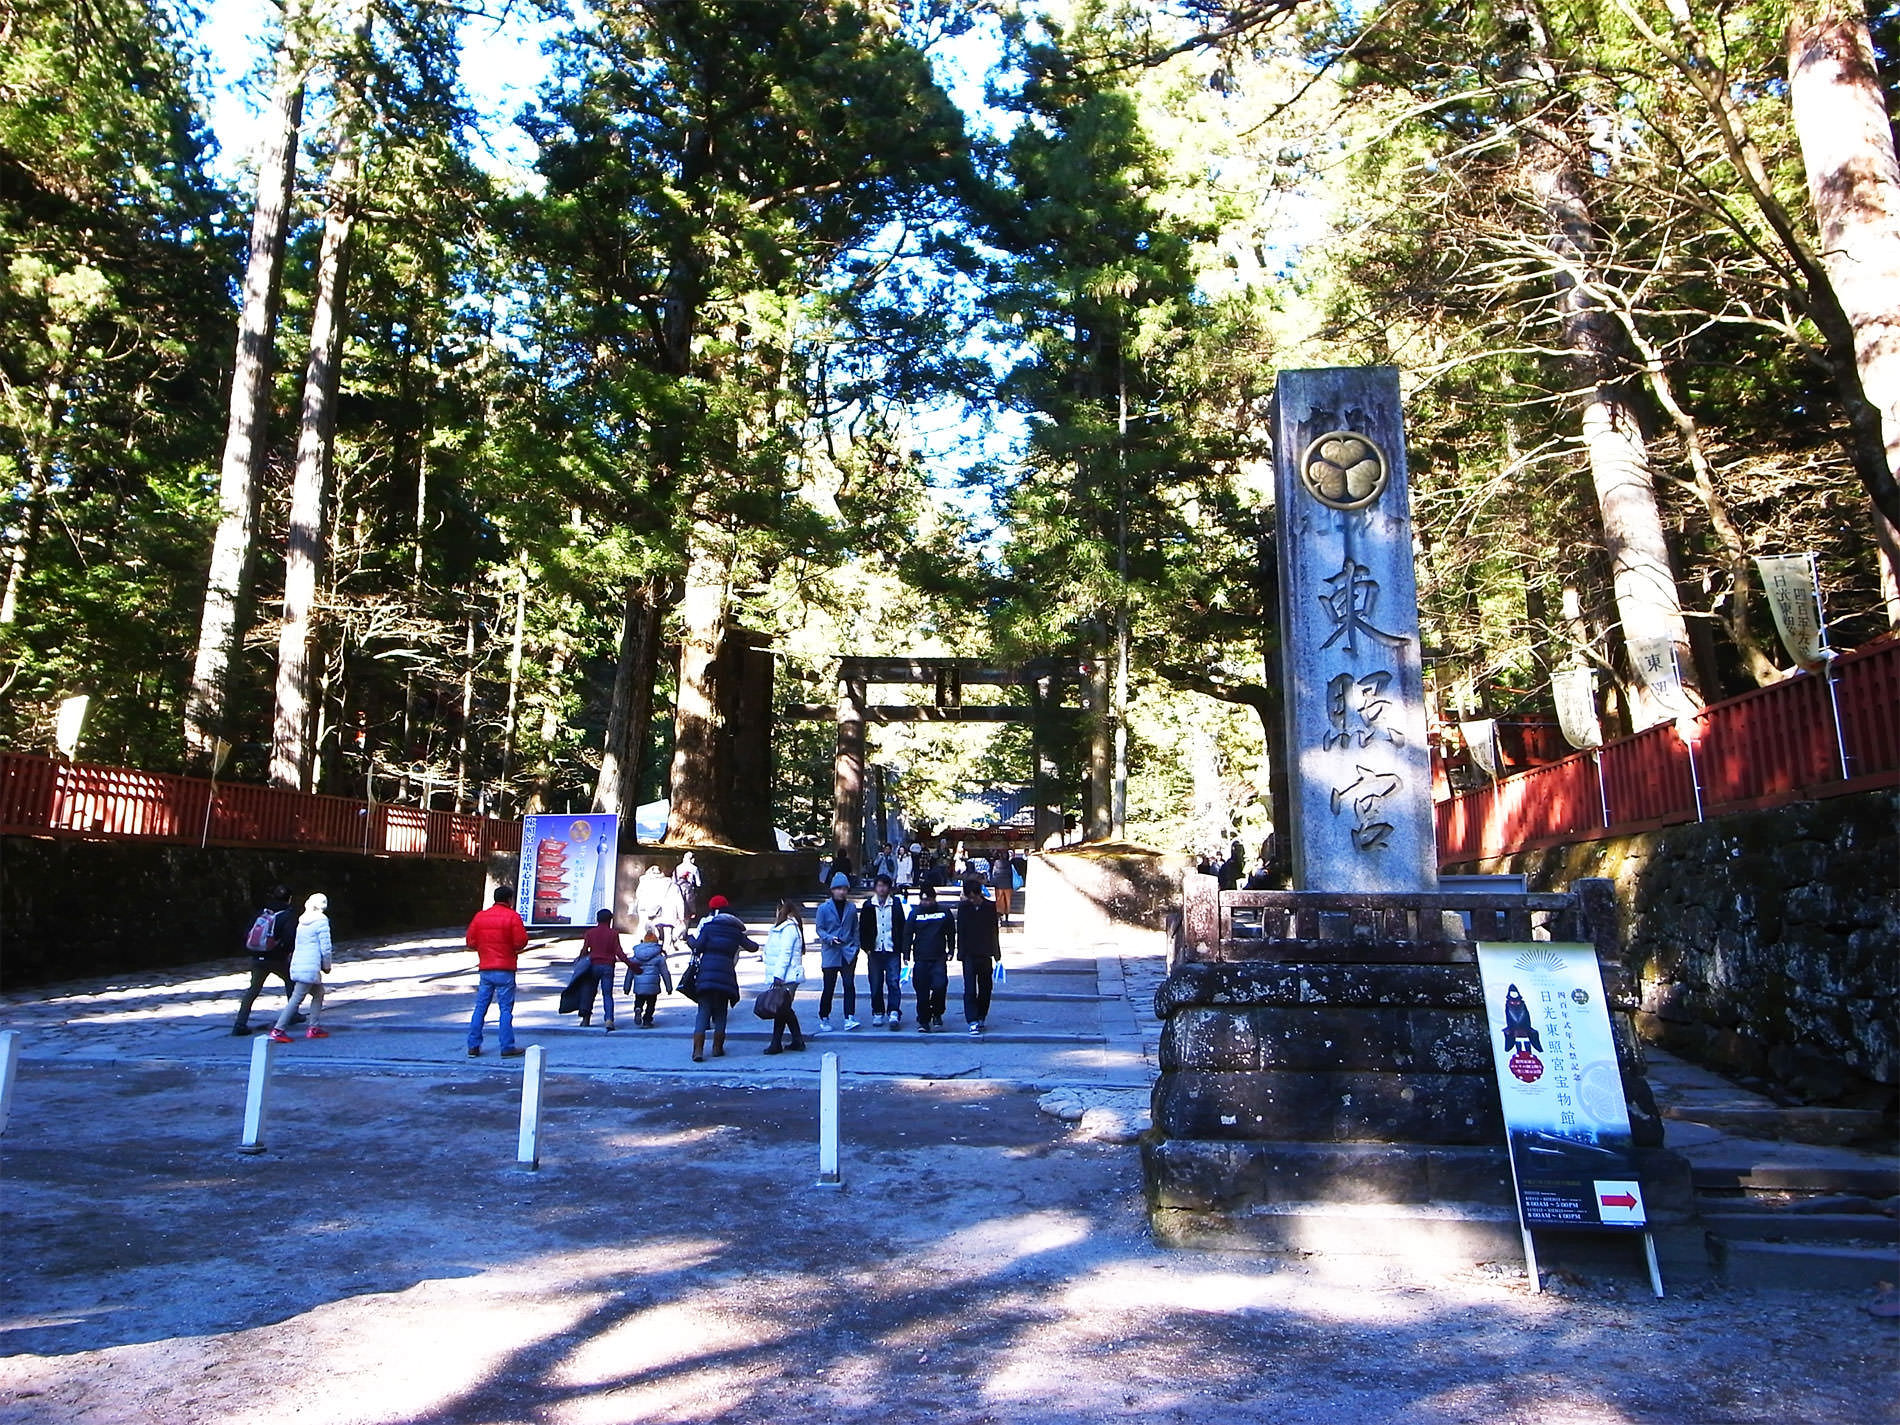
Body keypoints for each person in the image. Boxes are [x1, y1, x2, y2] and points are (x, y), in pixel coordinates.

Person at [683, 894, 755, 1062]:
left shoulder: (708, 928)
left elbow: (697, 947)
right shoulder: (736, 931)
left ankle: (698, 1050)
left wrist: (690, 939)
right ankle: (717, 1048)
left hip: (706, 975)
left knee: (703, 1010)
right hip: (726, 976)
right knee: (721, 1011)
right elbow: (753, 947)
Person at [465, 884, 530, 1058]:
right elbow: (521, 941)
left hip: (486, 968)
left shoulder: (480, 917)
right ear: (509, 899)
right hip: (505, 968)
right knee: (505, 1009)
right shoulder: (513, 917)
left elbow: (470, 942)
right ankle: (507, 1046)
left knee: (480, 1007)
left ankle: (473, 1046)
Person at [267, 893, 333, 1043]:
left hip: (300, 963)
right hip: (309, 966)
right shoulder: (321, 921)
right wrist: (327, 965)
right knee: (297, 998)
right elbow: (326, 947)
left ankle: (314, 1027)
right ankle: (279, 1029)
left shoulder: (302, 920)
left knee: (318, 992)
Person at [234, 884, 297, 1035]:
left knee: (253, 990)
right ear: (289, 898)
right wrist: (286, 952)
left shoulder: (262, 913)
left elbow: (247, 933)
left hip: (257, 958)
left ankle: (240, 1023)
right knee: (291, 981)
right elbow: (289, 937)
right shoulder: (287, 914)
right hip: (277, 958)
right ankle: (293, 1014)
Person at [857, 871, 910, 1030]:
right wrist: (866, 947)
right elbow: (863, 928)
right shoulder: (868, 905)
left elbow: (902, 926)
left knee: (893, 981)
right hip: (875, 950)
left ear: (889, 888)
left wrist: (903, 949)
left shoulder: (896, 904)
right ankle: (878, 1011)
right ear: (875, 888)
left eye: (885, 886)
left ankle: (894, 1011)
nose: (882, 889)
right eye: (879, 886)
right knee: (875, 982)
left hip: (892, 948)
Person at [759, 898, 808, 1055]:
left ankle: (779, 1043)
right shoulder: (786, 928)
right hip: (787, 975)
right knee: (784, 1010)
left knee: (782, 1010)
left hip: (788, 976)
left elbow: (785, 954)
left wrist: (777, 975)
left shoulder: (788, 929)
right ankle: (795, 1040)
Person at [814, 872, 860, 1032]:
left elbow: (855, 928)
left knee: (849, 985)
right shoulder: (823, 908)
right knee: (829, 987)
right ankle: (824, 1016)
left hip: (848, 951)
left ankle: (849, 1016)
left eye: (844, 889)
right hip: (830, 952)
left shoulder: (852, 908)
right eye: (838, 888)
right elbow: (819, 928)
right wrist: (828, 938)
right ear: (832, 890)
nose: (842, 892)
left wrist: (855, 947)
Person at [906, 882, 955, 1032]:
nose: (926, 903)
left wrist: (951, 949)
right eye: (923, 900)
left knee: (940, 986)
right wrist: (906, 953)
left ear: (935, 899)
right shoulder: (915, 913)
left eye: (929, 900)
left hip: (939, 957)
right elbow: (907, 934)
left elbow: (951, 932)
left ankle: (937, 1013)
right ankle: (923, 1020)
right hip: (920, 957)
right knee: (921, 991)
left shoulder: (944, 912)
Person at [955, 876, 1000, 1035]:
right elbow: (960, 931)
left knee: (985, 987)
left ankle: (981, 1015)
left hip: (985, 952)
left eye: (974, 897)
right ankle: (972, 1019)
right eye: (969, 897)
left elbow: (994, 931)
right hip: (968, 953)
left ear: (979, 894)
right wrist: (959, 952)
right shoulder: (963, 907)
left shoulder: (989, 907)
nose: (972, 900)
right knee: (969, 988)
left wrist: (997, 954)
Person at [576, 909, 633, 1030]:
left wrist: (579, 960)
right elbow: (619, 952)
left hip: (592, 966)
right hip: (608, 967)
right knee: (607, 994)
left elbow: (585, 950)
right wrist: (631, 965)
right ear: (610, 920)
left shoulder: (590, 933)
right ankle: (609, 1020)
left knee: (589, 993)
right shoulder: (613, 933)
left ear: (597, 919)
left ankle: (586, 1019)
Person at [630, 864, 686, 973]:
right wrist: (681, 915)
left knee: (646, 930)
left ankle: (643, 950)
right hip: (667, 910)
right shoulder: (670, 884)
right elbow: (679, 901)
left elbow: (638, 895)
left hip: (647, 909)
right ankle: (665, 952)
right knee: (667, 931)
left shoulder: (644, 882)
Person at [628, 925, 673, 1027]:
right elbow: (665, 973)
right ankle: (647, 1020)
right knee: (651, 1003)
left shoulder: (636, 956)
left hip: (639, 985)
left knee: (639, 999)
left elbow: (629, 973)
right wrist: (669, 988)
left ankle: (638, 1008)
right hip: (653, 985)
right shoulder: (659, 957)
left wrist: (627, 987)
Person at [673, 852, 702, 924]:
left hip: (678, 887)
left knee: (679, 905)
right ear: (691, 859)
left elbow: (674, 880)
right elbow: (698, 882)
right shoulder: (694, 868)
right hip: (689, 888)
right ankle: (690, 917)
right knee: (689, 904)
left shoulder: (678, 867)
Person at [987, 847, 1014, 925]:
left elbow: (994, 874)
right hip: (1008, 884)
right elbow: (1011, 875)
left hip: (999, 885)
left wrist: (993, 883)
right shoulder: (1009, 864)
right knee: (1008, 901)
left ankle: (999, 918)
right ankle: (1007, 918)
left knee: (999, 901)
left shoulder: (996, 863)